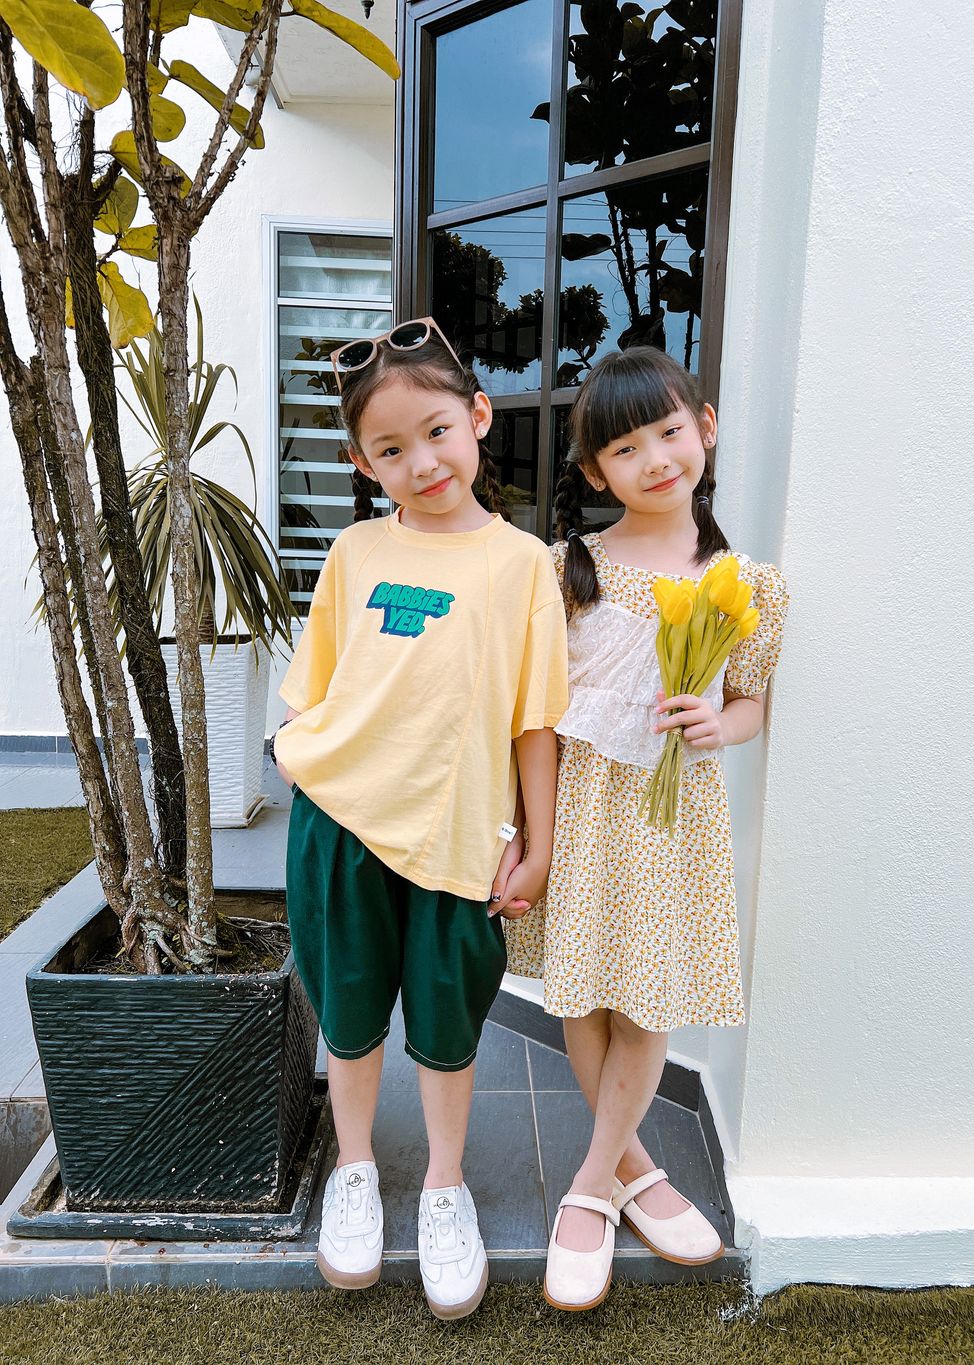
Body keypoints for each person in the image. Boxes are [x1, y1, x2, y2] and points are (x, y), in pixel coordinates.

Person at [273, 317, 567, 1320]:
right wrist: (315, 765)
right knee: (350, 1015)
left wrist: (538, 844)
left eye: (436, 431)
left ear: (477, 416)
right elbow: (313, 692)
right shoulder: (355, 552)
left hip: (458, 839)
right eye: (390, 449)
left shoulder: (524, 565)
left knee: (448, 1022)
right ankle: (353, 1169)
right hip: (342, 827)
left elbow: (535, 721)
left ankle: (445, 1185)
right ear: (364, 464)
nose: (422, 462)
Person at [503, 346, 789, 1311]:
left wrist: (719, 723)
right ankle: (631, 1169)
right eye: (625, 448)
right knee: (584, 995)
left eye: (669, 432)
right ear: (594, 472)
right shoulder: (567, 569)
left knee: (647, 1002)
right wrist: (526, 833)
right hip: (579, 810)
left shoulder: (747, 584)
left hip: (672, 824)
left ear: (705, 427)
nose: (656, 458)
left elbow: (751, 704)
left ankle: (588, 1188)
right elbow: (535, 714)